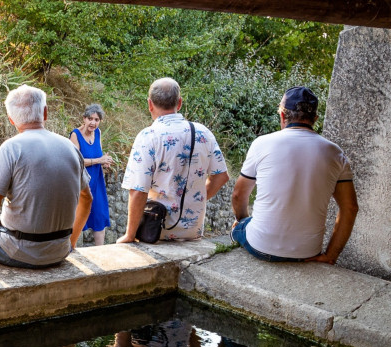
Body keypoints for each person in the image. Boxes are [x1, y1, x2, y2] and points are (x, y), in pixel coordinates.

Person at [0, 85, 92, 268]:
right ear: (45, 113)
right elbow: (87, 198)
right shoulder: (70, 148)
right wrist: (70, 244)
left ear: (11, 119)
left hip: (19, 250)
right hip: (60, 251)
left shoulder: (12, 148)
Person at [231, 86, 358, 263]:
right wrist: (331, 256)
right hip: (307, 252)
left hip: (260, 247)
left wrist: (243, 220)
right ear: (315, 119)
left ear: (282, 115)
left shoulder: (262, 143)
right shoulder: (336, 153)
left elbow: (238, 195)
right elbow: (350, 208)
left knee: (240, 226)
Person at [117, 78, 229, 243]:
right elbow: (221, 176)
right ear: (180, 103)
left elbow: (138, 190)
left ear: (150, 104)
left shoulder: (148, 136)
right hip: (192, 233)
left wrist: (130, 235)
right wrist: (198, 197)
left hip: (155, 231)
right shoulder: (203, 133)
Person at [70, 103, 114, 245]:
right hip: (81, 183)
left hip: (97, 182)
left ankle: (101, 255)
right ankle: (71, 254)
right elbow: (76, 162)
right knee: (77, 220)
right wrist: (98, 160)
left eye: (96, 120)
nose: (93, 123)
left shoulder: (98, 133)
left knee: (99, 217)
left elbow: (99, 155)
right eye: (90, 119)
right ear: (84, 119)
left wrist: (105, 162)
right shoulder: (75, 135)